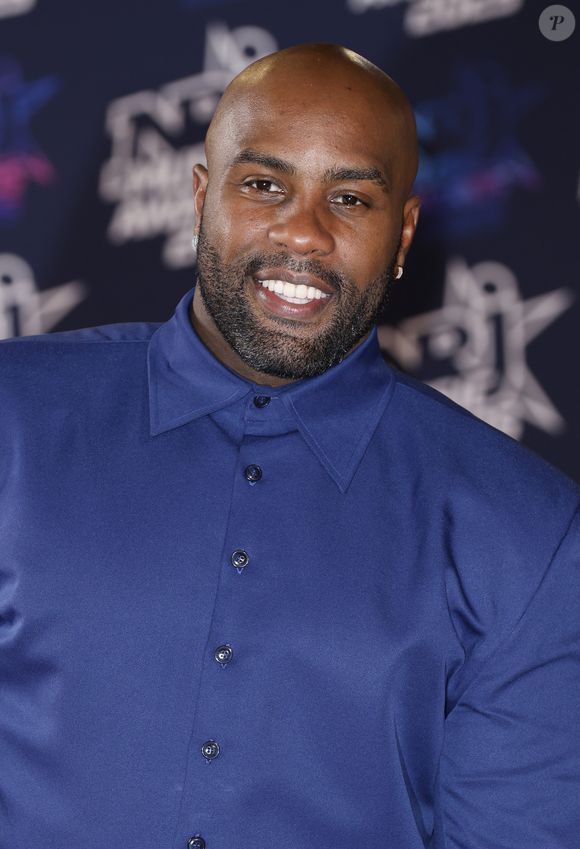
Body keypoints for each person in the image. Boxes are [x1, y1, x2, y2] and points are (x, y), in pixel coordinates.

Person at [0, 42, 578, 849]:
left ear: (405, 232)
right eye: (265, 184)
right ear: (202, 196)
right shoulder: (14, 418)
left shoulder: (529, 532)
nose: (302, 232)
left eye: (350, 199)